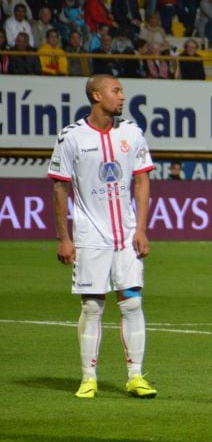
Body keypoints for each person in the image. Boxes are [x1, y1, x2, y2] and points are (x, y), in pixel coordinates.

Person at [47, 74, 157, 400]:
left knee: (132, 303)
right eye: (116, 90)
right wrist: (63, 237)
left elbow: (142, 181)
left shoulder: (132, 132)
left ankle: (135, 376)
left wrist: (140, 229)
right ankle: (88, 377)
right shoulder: (72, 137)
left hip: (126, 236)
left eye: (122, 90)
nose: (122, 96)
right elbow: (59, 186)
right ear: (97, 95)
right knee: (93, 306)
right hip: (90, 236)